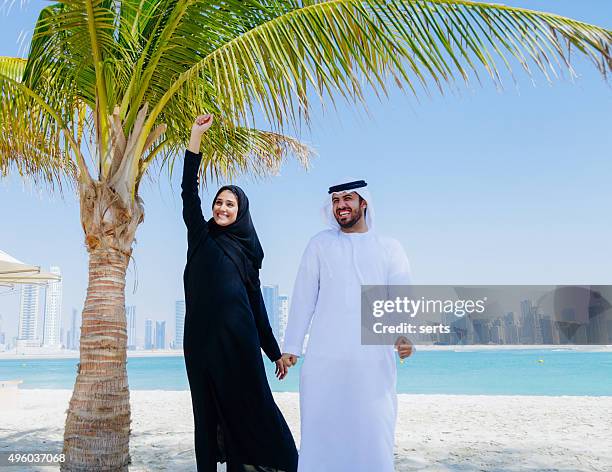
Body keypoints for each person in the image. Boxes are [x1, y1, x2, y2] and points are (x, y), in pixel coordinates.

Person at [181, 114, 298, 472]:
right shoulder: (199, 236)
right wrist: (195, 138)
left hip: (240, 345)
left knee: (244, 409)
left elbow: (256, 306)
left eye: (229, 204)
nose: (221, 208)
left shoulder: (247, 253)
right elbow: (188, 190)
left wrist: (274, 351)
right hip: (199, 343)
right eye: (219, 202)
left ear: (241, 210)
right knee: (204, 415)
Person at [281, 178, 414, 472]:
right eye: (336, 200)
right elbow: (304, 296)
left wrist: (404, 335)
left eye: (347, 199)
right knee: (321, 431)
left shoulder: (389, 247)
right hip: (324, 361)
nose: (341, 205)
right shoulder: (320, 244)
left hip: (372, 361)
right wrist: (292, 346)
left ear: (363, 203)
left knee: (373, 432)